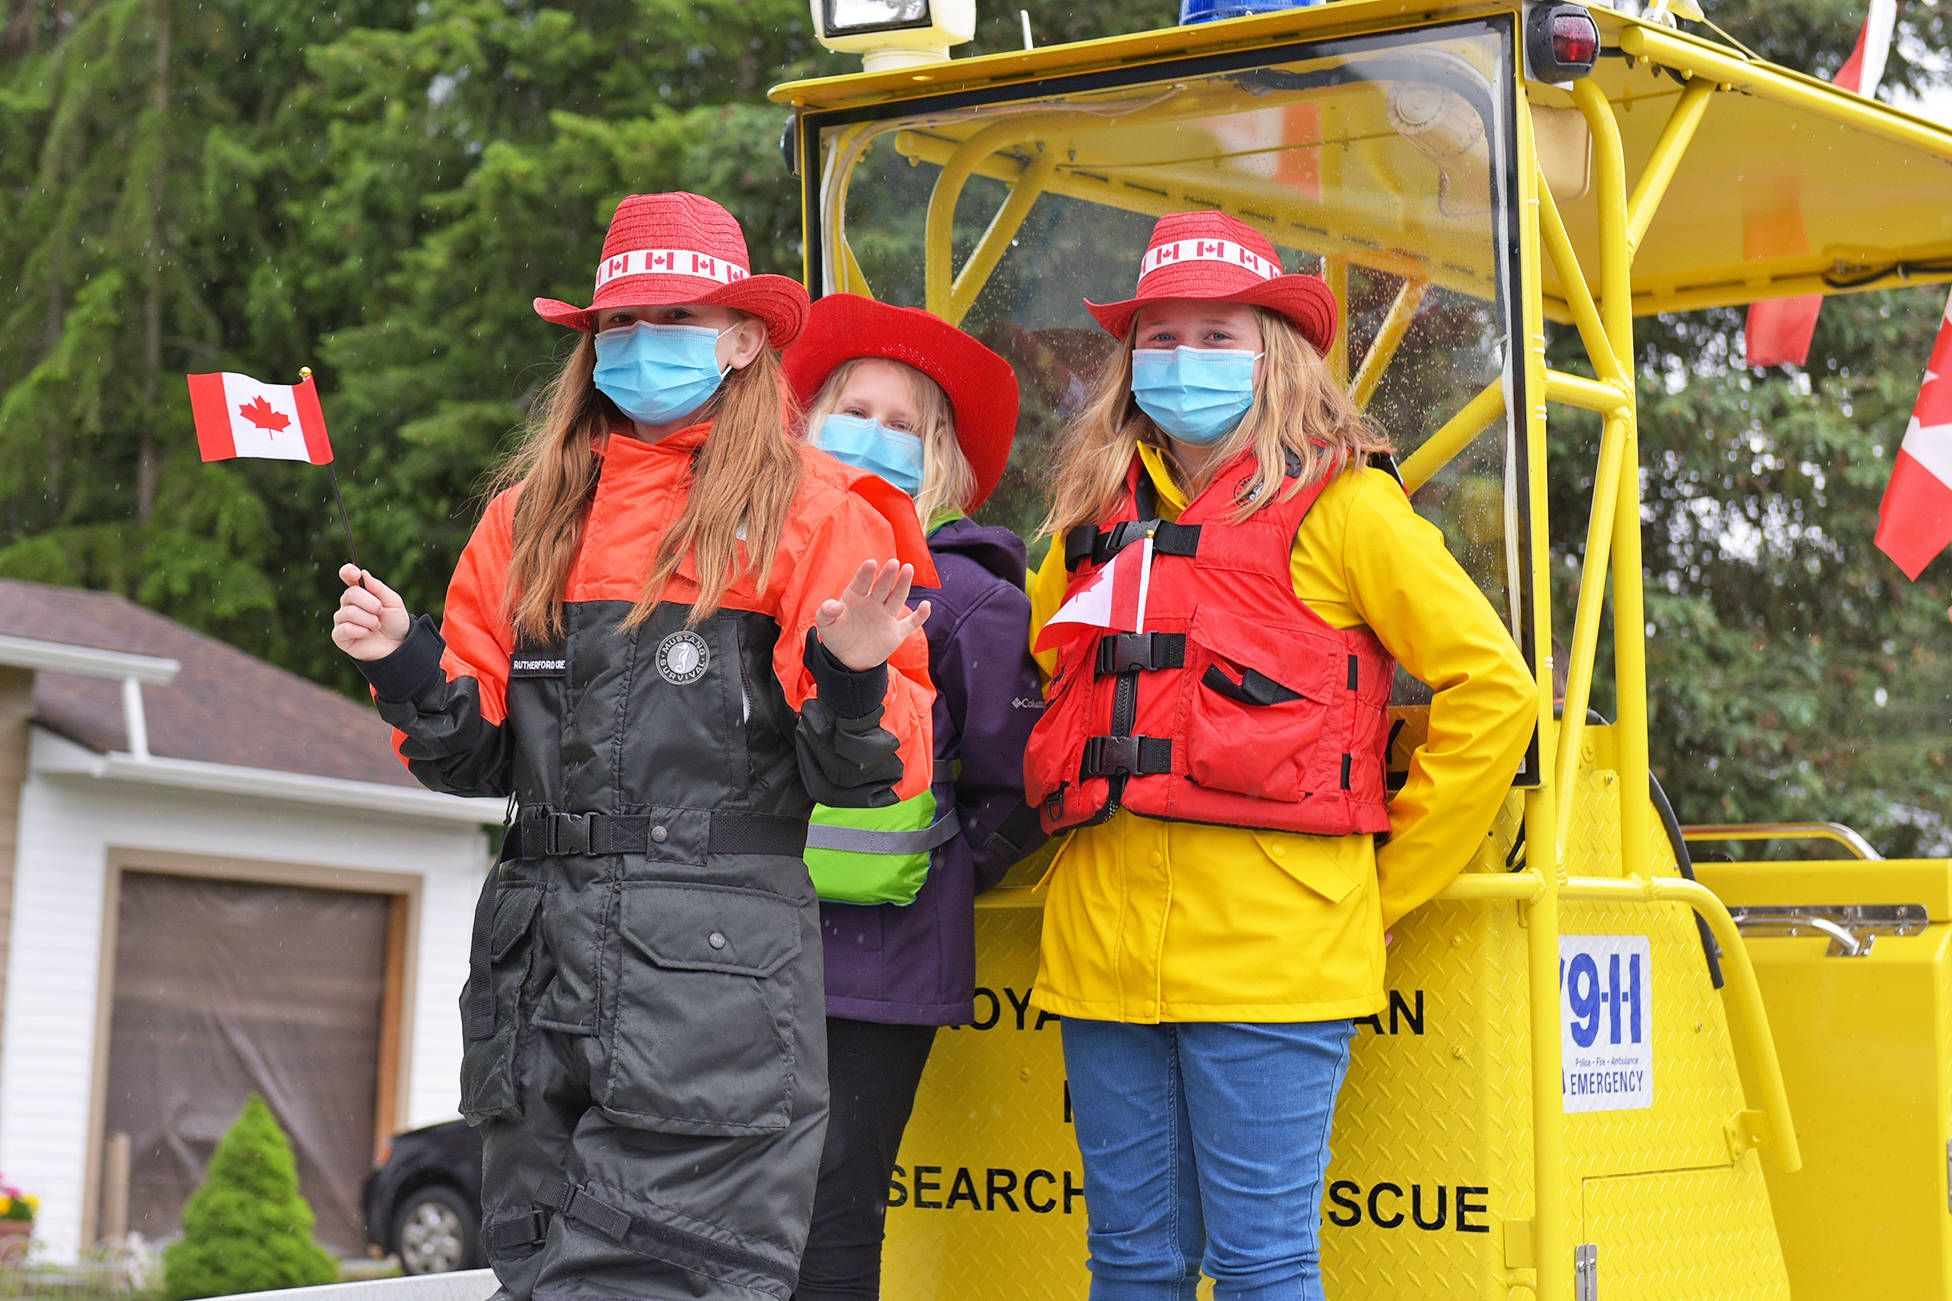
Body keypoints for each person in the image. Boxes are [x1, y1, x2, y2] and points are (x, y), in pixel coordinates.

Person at [328, 192, 936, 1301]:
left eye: (670, 319)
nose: (635, 345)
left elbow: (872, 772)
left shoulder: (819, 511)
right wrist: (405, 663)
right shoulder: (525, 516)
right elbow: (472, 757)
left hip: (711, 975)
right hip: (533, 973)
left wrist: (850, 669)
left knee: (650, 1279)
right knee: (534, 1271)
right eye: (616, 324)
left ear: (745, 339)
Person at [1023, 211, 1534, 1301]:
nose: (1181, 360)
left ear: (1275, 355)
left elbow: (1493, 689)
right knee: (1128, 1264)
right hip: (1100, 950)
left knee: (1262, 1266)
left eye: (1216, 334)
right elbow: (1053, 689)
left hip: (1276, 952)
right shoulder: (1082, 521)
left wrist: (1385, 888)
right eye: (1157, 337)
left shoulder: (1349, 507)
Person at [780, 294, 1047, 1300]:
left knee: (836, 1206)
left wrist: (933, 868)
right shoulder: (756, 560)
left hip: (882, 964)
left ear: (937, 455)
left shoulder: (973, 596)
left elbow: (1009, 780)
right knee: (729, 1196)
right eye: (855, 411)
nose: (874, 437)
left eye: (904, 425)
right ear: (809, 421)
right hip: (744, 932)